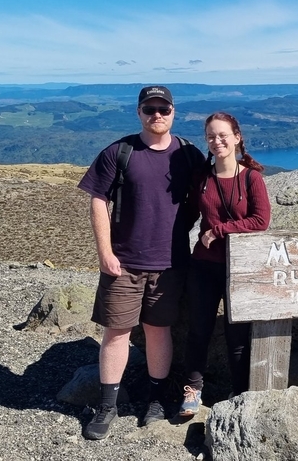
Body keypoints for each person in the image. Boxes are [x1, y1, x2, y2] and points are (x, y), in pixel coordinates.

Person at [76, 85, 204, 440]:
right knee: (116, 332)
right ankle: (106, 404)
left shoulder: (188, 155)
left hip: (171, 264)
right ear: (139, 112)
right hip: (125, 262)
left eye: (163, 108)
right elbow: (98, 199)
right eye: (150, 108)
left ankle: (157, 399)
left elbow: (209, 193)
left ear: (174, 112)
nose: (157, 115)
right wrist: (105, 252)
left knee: (157, 331)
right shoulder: (120, 152)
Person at [179, 111, 271, 416]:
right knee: (199, 330)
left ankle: (240, 392)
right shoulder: (202, 178)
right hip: (204, 266)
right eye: (210, 136)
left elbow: (261, 220)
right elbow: (187, 214)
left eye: (222, 135)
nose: (216, 141)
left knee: (237, 335)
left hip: (239, 267)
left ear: (237, 137)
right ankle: (193, 388)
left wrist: (219, 230)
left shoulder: (251, 177)